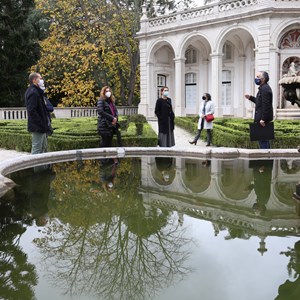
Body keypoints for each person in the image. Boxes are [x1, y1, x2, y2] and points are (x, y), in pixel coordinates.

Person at [244, 71, 273, 149]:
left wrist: (263, 119)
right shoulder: (263, 88)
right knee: (263, 141)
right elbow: (259, 102)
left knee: (263, 142)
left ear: (263, 79)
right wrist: (250, 97)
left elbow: (266, 105)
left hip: (262, 120)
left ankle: (265, 159)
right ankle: (266, 159)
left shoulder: (265, 89)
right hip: (261, 119)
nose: (256, 79)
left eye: (257, 77)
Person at [25, 72, 52, 154]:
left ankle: (44, 167)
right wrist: (40, 123)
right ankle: (36, 167)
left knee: (43, 148)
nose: (42, 80)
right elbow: (31, 111)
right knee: (37, 150)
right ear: (34, 80)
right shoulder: (33, 92)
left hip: (41, 126)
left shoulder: (37, 92)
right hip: (38, 126)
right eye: (40, 78)